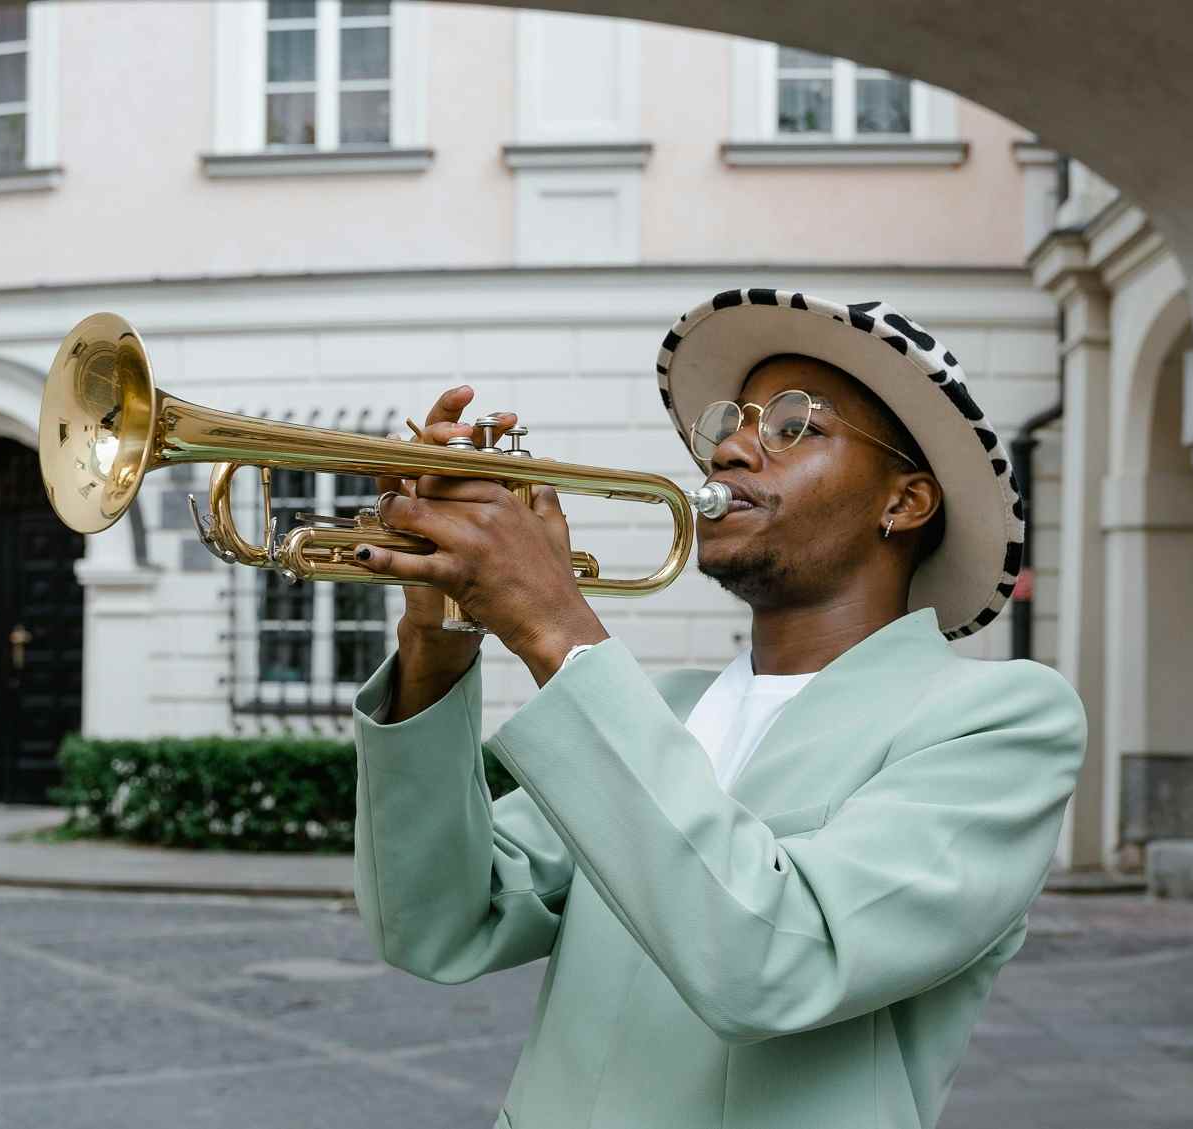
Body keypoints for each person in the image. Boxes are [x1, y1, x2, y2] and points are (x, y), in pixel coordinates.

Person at [348, 288, 1087, 1129]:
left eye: (792, 424)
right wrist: (436, 642)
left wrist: (554, 623)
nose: (731, 447)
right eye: (732, 423)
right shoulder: (659, 708)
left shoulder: (999, 719)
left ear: (904, 501)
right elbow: (437, 922)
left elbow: (775, 962)